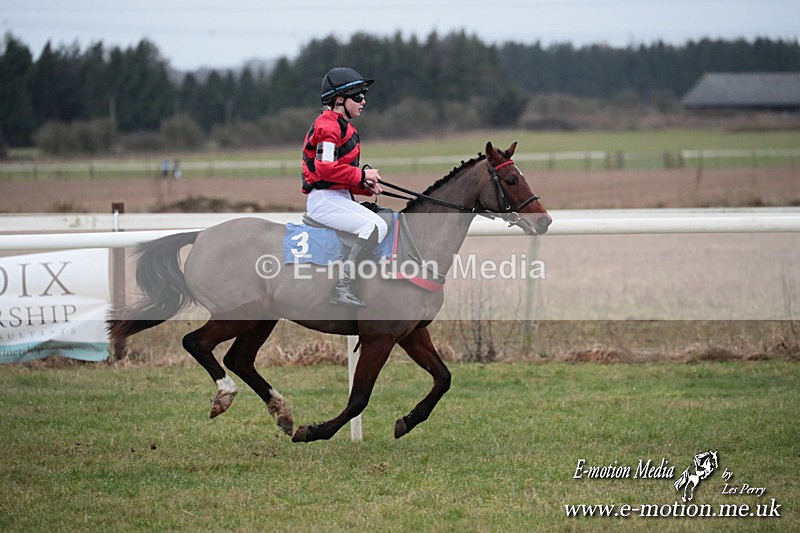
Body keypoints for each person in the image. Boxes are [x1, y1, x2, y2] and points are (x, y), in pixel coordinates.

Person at [301, 66, 388, 307]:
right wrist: (362, 174)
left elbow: (339, 175)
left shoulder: (342, 125)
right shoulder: (328, 127)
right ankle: (343, 287)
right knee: (375, 226)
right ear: (339, 100)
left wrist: (364, 185)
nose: (363, 101)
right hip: (324, 200)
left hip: (337, 196)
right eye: (358, 96)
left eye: (364, 96)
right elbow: (325, 169)